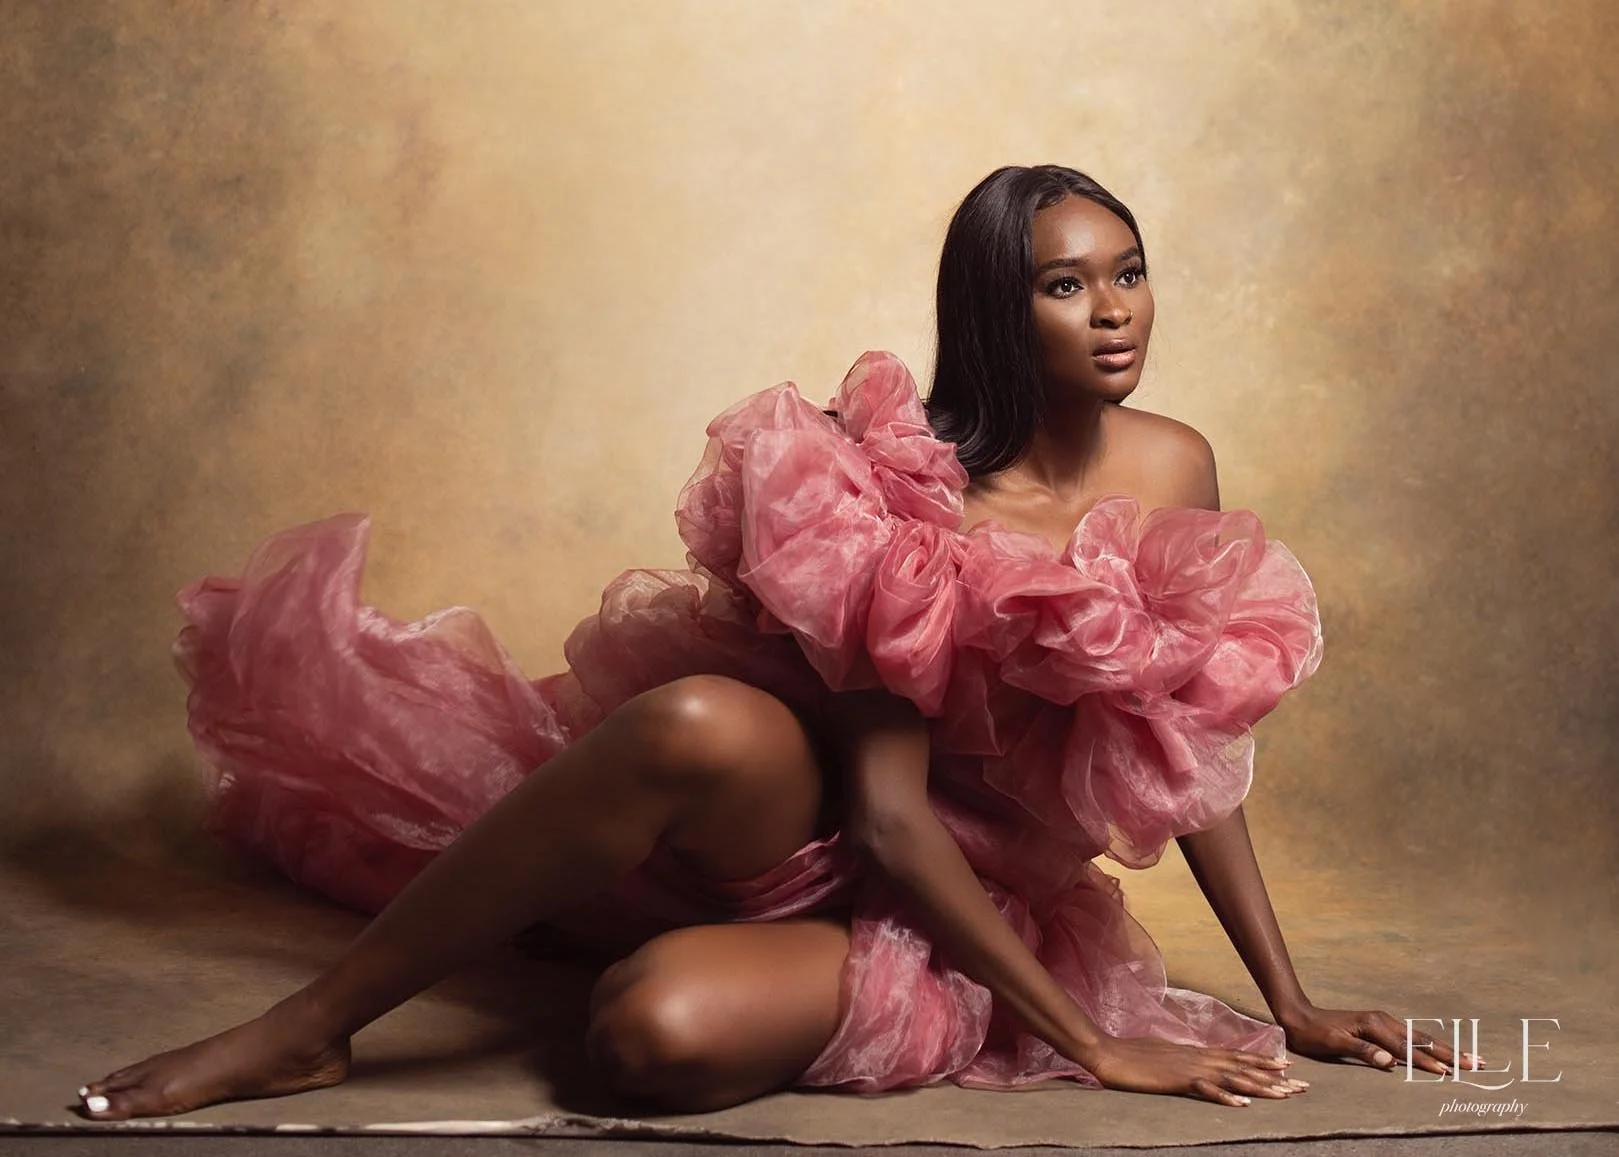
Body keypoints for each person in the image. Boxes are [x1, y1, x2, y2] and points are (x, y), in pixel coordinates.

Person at [78, 164, 1482, 1121]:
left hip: (971, 910)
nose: (1113, 311)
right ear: (997, 307)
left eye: (1128, 273)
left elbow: (1182, 752)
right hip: (827, 825)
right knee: (697, 721)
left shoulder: (1173, 465)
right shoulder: (893, 481)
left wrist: (1285, 997)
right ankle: (310, 1028)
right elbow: (881, 813)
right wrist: (1089, 1040)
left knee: (647, 1041)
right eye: (1064, 286)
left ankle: (629, 933)